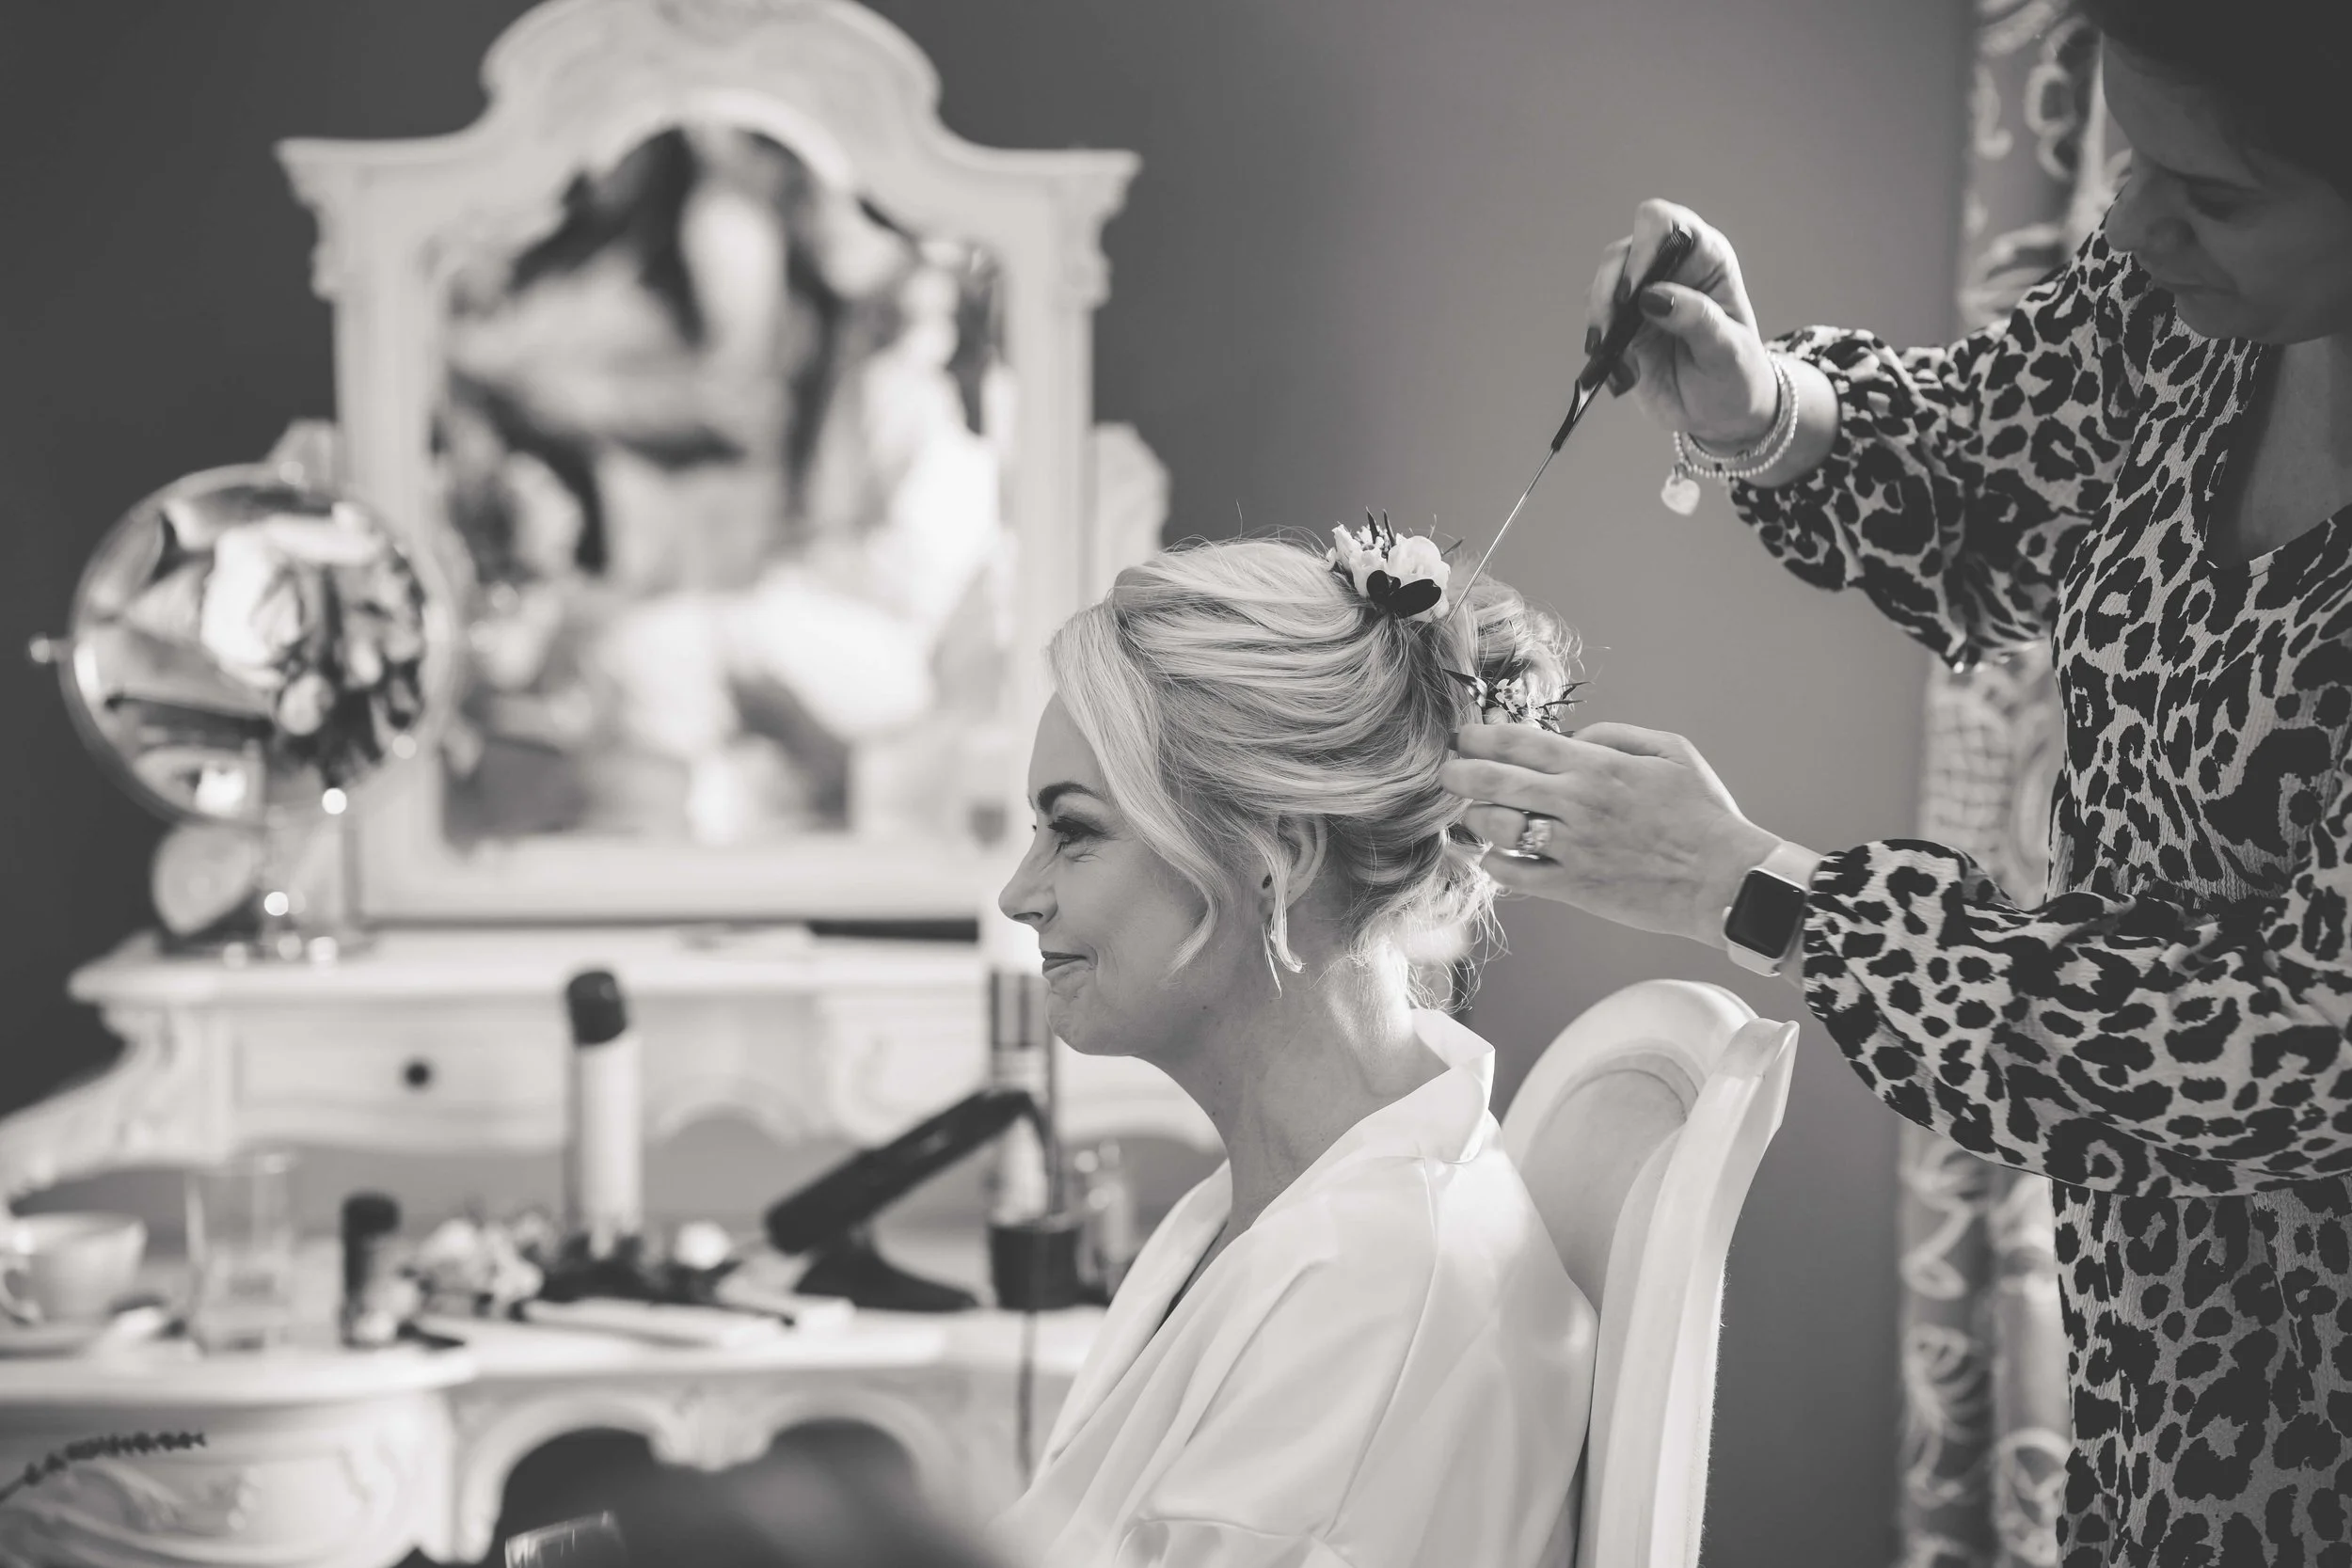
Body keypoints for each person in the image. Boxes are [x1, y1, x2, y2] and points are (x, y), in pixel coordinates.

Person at [1440, 4, 2352, 1562]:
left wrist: (1762, 891)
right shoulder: (2185, 305)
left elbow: (2293, 1046)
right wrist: (1757, 402)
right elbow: (1993, 468)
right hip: (2149, 1340)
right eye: (2131, 157)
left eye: (2211, 195)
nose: (2133, 223)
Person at [993, 527, 1596, 1568]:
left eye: (1075, 831)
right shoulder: (1269, 1205)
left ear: (1274, 861)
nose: (1019, 892)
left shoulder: (1373, 1296)